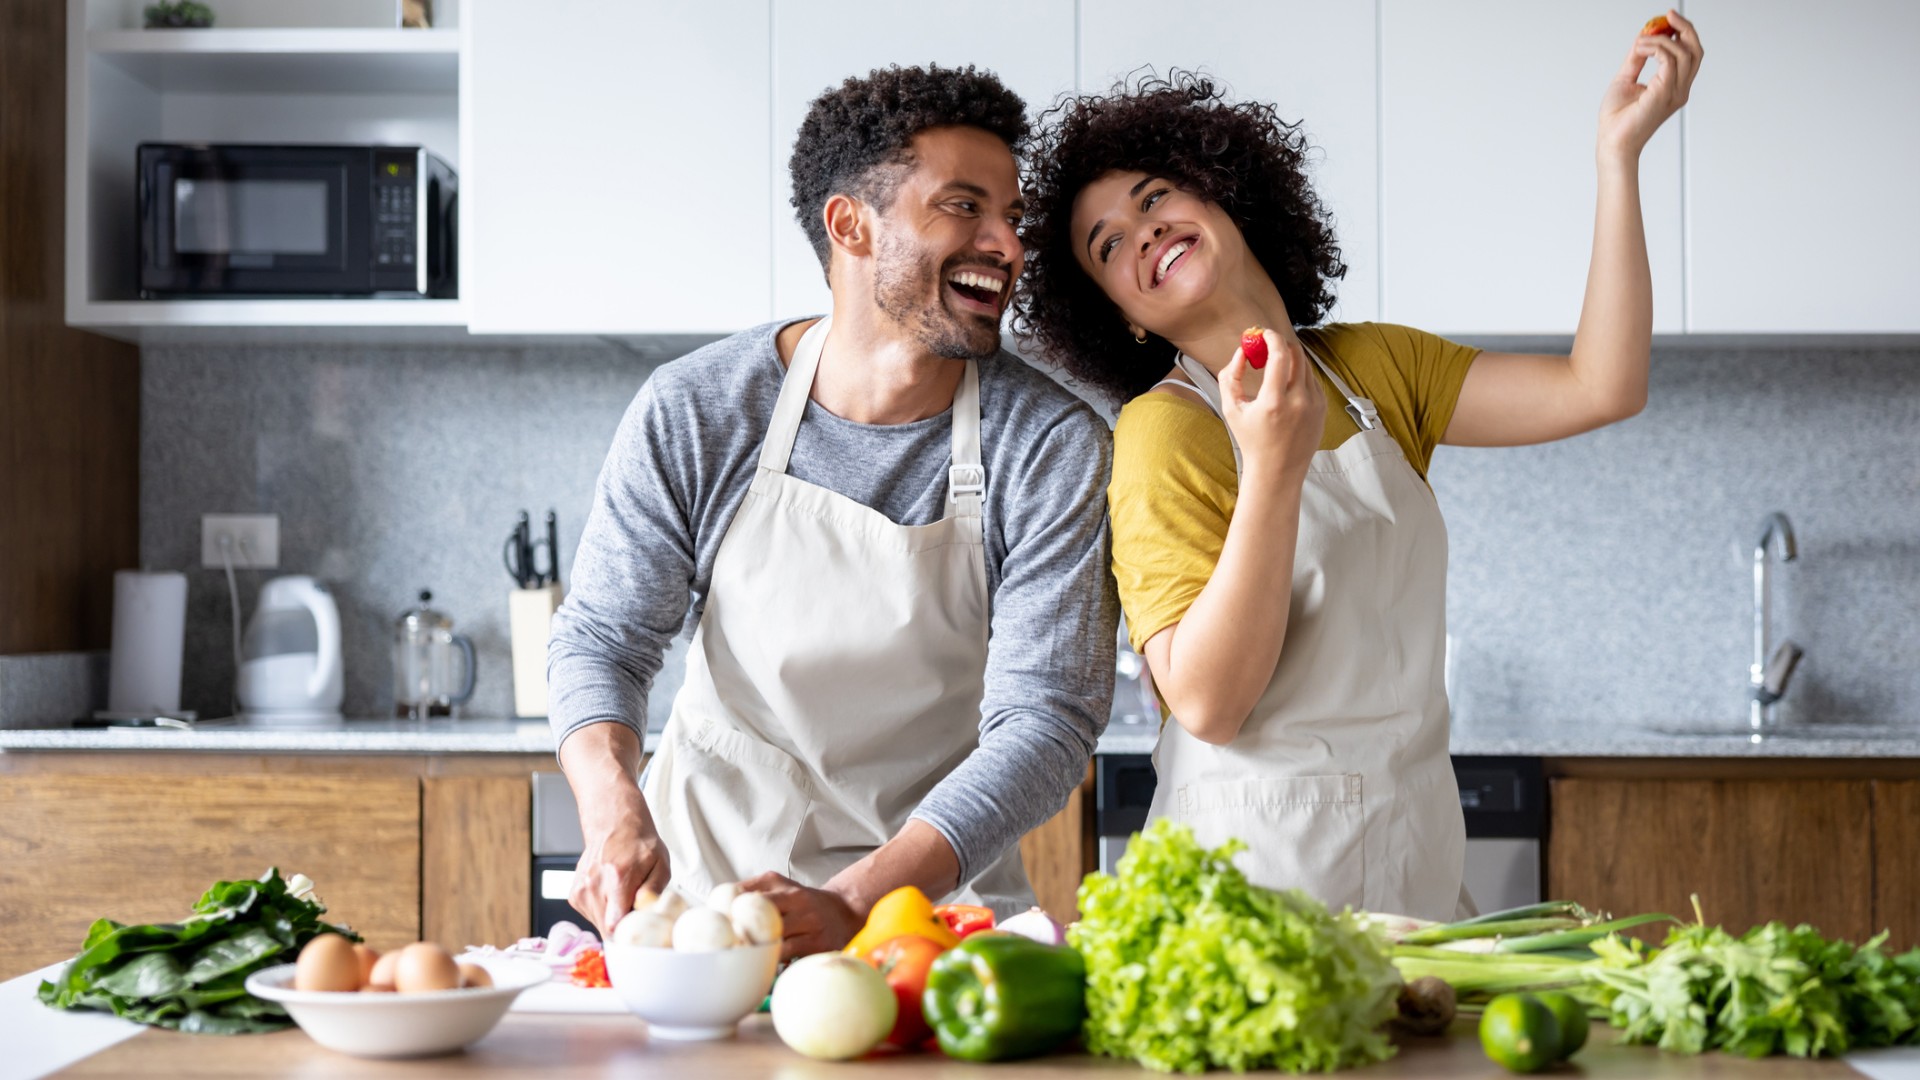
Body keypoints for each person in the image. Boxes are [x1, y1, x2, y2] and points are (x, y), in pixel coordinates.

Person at [1014, 14, 1703, 919]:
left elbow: (1600, 385)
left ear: (1224, 198)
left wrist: (1620, 156)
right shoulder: (1164, 434)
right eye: (1107, 245)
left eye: (1154, 198)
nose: (1141, 232)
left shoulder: (1373, 367)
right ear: (1123, 316)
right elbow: (1209, 704)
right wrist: (1272, 469)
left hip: (1414, 863)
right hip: (1253, 893)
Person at [547, 64, 1119, 957]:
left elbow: (1046, 719)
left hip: (935, 919)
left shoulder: (1049, 443)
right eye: (964, 207)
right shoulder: (700, 408)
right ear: (850, 225)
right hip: (707, 913)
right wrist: (614, 807)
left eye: (1013, 216)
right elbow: (603, 639)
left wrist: (861, 898)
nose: (1008, 244)